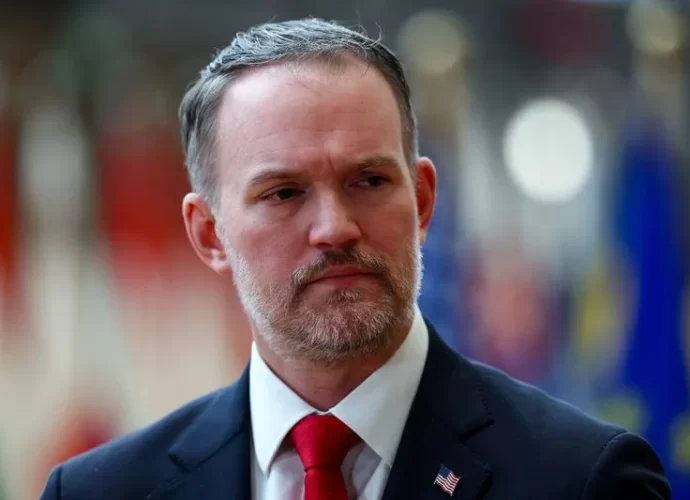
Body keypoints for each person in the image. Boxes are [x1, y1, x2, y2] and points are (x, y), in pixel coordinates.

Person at [40, 18, 670, 500]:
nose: (335, 227)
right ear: (208, 234)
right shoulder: (100, 491)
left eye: (368, 181)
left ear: (422, 201)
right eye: (284, 193)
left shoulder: (584, 479)